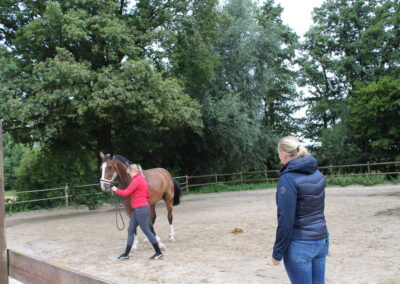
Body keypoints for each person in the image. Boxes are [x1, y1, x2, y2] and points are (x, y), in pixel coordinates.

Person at [272, 136, 329, 284]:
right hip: (320, 240)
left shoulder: (288, 179)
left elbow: (286, 219)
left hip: (300, 244)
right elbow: (318, 209)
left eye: (278, 153)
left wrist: (277, 252)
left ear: (284, 155)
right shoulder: (317, 173)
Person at [111, 164, 163, 260]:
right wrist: (138, 196)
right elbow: (147, 194)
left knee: (147, 231)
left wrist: (115, 189)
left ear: (132, 171)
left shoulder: (136, 180)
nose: (129, 175)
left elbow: (126, 192)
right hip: (139, 209)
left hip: (140, 209)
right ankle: (126, 254)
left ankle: (158, 252)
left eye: (129, 173)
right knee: (131, 230)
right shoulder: (142, 179)